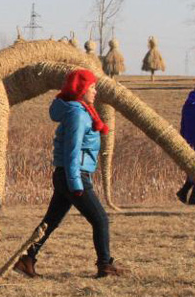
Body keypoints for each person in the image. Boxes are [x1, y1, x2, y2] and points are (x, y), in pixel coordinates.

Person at [14, 69, 126, 279]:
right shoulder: (77, 114)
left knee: (52, 220)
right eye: (92, 87)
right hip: (73, 175)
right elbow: (72, 150)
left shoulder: (82, 111)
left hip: (68, 174)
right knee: (100, 219)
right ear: (81, 90)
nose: (95, 91)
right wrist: (76, 183)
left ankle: (27, 259)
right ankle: (104, 265)